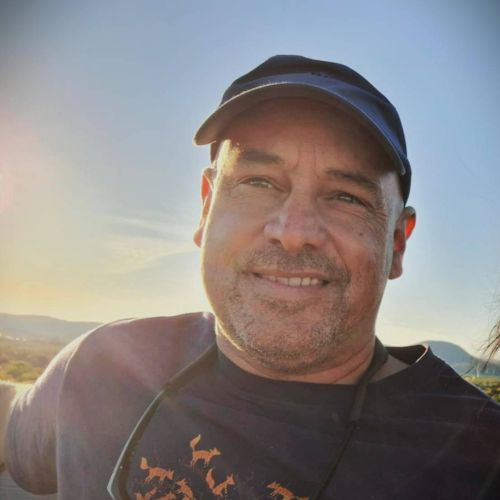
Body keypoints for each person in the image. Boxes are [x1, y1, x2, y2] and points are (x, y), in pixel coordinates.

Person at [4, 55, 500, 500]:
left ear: (397, 242)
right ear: (206, 209)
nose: (293, 232)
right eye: (257, 182)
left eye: (346, 197)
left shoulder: (480, 457)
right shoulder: (102, 367)